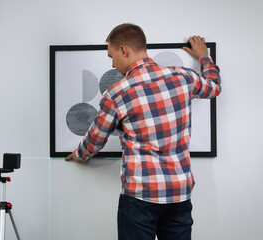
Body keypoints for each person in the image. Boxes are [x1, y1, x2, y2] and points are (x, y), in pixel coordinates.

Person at [65, 23, 221, 240]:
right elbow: (214, 86)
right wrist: (204, 56)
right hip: (179, 194)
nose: (112, 63)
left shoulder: (116, 94)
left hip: (139, 198)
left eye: (111, 55)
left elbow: (95, 140)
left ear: (123, 50)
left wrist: (80, 155)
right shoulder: (184, 77)